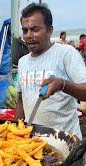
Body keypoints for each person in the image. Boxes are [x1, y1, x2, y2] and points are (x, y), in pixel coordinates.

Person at [15, 3, 86, 139]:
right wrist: (16, 132)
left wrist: (62, 84)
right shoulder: (22, 61)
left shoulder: (66, 53)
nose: (29, 35)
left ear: (49, 30)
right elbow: (20, 100)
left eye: (35, 29)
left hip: (65, 142)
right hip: (34, 142)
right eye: (25, 31)